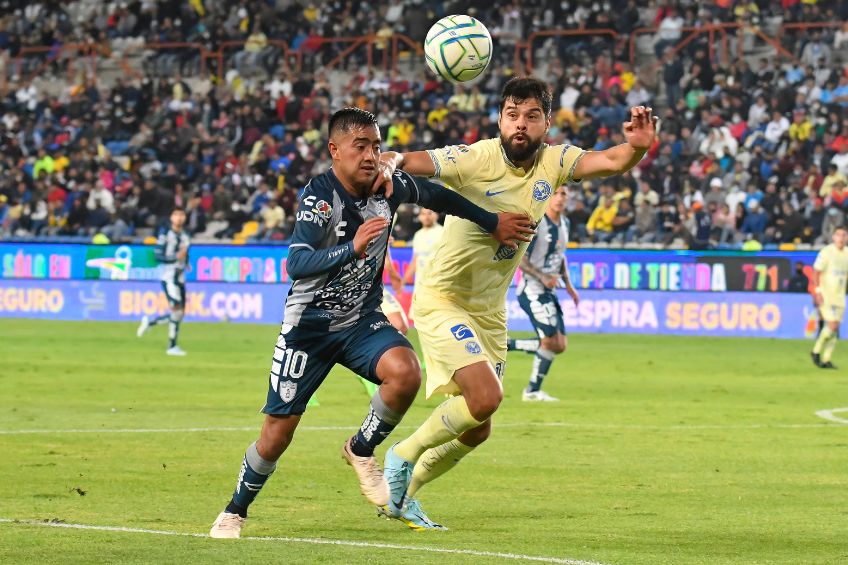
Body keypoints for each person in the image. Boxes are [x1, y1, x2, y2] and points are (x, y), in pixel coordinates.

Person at [208, 108, 534, 538]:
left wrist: (492, 222)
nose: (371, 155)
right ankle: (235, 510)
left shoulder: (389, 184)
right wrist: (352, 249)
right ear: (335, 150)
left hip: (362, 319)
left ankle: (360, 449)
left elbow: (439, 197)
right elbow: (296, 262)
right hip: (309, 329)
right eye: (360, 146)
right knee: (275, 437)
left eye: (377, 146)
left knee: (405, 373)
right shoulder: (319, 197)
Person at [378, 77, 658, 529]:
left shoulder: (556, 160)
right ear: (500, 119)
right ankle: (401, 455)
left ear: (547, 122)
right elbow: (413, 161)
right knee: (485, 397)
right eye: (512, 114)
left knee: (479, 425)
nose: (520, 125)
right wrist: (389, 159)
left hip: (490, 310)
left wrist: (638, 148)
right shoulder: (476, 157)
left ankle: (404, 496)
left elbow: (610, 160)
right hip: (444, 298)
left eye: (531, 116)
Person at [508, 185, 579, 402]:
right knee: (549, 339)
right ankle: (531, 391)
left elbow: (560, 255)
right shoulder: (537, 223)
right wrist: (542, 276)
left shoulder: (565, 224)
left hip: (549, 291)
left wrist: (568, 284)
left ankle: (508, 344)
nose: (559, 198)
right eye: (555, 193)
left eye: (563, 194)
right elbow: (519, 257)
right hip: (532, 289)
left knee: (560, 344)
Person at [137, 207, 190, 356]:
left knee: (180, 313)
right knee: (176, 309)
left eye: (182, 215)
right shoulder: (165, 235)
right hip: (169, 277)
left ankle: (150, 323)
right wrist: (175, 258)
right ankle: (171, 346)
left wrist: (187, 262)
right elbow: (158, 256)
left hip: (180, 277)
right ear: (172, 218)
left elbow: (185, 251)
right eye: (176, 214)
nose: (179, 218)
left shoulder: (186, 235)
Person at [811, 226, 848, 369]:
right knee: (832, 325)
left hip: (840, 296)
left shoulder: (847, 254)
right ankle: (815, 352)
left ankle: (826, 359)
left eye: (844, 235)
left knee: (835, 327)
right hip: (826, 295)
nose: (841, 238)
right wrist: (818, 291)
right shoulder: (826, 252)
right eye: (838, 235)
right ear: (833, 237)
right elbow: (816, 272)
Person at [402, 207, 444, 319]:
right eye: (423, 214)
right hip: (420, 284)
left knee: (436, 317)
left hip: (437, 284)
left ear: (436, 215)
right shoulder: (418, 235)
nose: (426, 216)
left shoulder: (443, 233)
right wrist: (403, 281)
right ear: (420, 217)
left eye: (429, 213)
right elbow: (415, 260)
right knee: (419, 318)